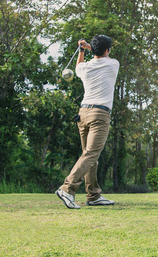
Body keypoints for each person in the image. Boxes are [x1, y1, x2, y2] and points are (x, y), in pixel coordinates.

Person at [56, 35, 119, 209]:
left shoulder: (84, 68)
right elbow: (102, 54)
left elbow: (78, 66)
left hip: (83, 113)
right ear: (107, 50)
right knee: (91, 154)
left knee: (89, 156)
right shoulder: (113, 64)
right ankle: (67, 189)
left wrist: (82, 50)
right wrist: (90, 47)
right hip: (99, 114)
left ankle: (93, 195)